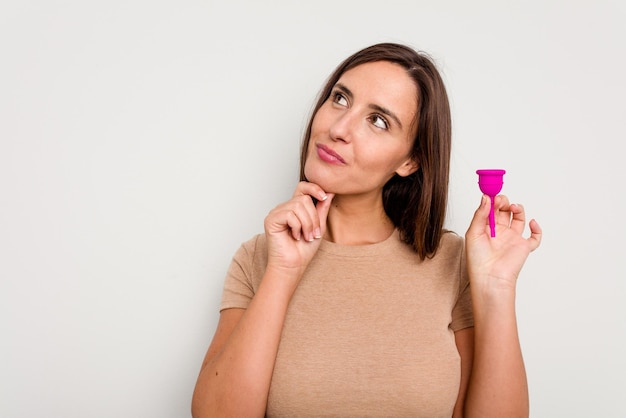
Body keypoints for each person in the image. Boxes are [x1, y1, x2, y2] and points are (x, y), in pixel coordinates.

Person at [191, 42, 542, 417]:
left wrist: (496, 287)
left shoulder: (451, 262)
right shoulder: (258, 258)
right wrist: (283, 271)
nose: (338, 128)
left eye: (378, 121)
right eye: (340, 98)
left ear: (410, 161)